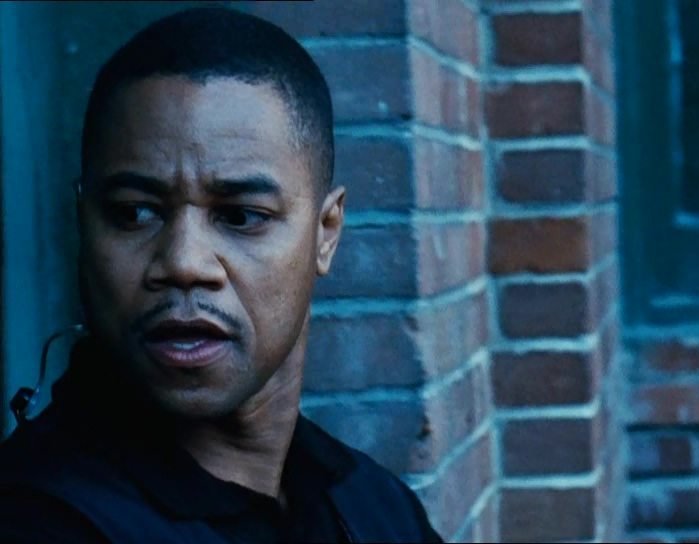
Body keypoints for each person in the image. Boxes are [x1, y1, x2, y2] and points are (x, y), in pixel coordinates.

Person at [0, 7, 442, 543]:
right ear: (84, 224)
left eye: (241, 217)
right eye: (134, 213)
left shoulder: (377, 507)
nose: (185, 263)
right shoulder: (35, 520)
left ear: (325, 233)